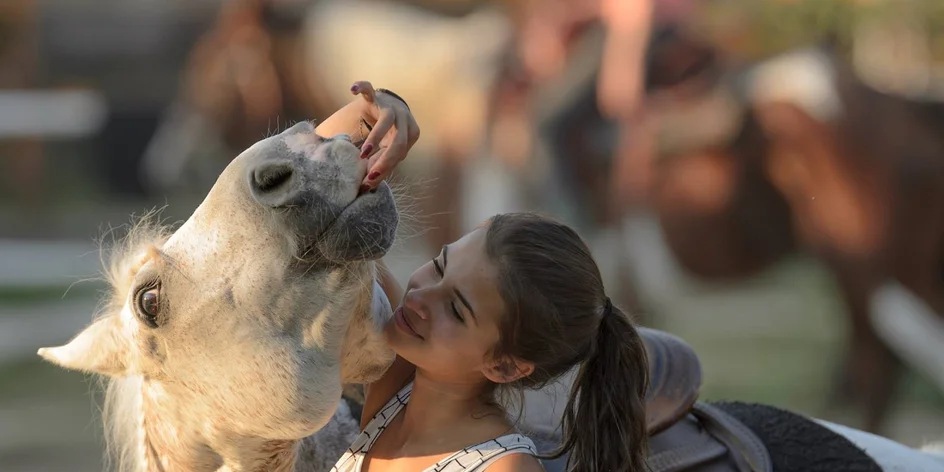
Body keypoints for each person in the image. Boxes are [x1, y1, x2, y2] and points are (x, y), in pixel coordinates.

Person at [317, 81, 651, 472]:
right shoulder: (400, 381)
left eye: (457, 310)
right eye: (441, 264)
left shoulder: (502, 467)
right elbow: (317, 187)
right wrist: (379, 110)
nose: (421, 296)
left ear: (505, 366)